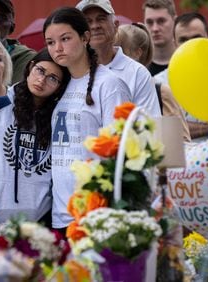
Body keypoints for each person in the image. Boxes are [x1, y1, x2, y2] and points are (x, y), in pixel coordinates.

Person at [0, 49, 70, 242]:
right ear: (30, 68)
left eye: (53, 78)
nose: (42, 80)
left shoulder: (58, 119)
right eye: (40, 71)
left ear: (60, 87)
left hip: (39, 228)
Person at [43, 7, 131, 235]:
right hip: (61, 212)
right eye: (50, 42)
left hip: (97, 213)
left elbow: (120, 152)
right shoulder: (57, 85)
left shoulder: (109, 84)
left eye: (65, 39)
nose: (57, 48)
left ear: (85, 37)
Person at [77, 0, 161, 117]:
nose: (95, 26)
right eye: (88, 21)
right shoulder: (71, 71)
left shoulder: (137, 73)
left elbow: (148, 124)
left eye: (101, 19)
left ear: (115, 25)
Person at [114, 23, 191, 142]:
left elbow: (182, 141)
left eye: (120, 50)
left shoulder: (161, 91)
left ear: (137, 53)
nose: (113, 55)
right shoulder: (106, 86)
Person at [154, 12, 208, 140]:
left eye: (196, 38)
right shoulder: (159, 84)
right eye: (183, 40)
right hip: (181, 159)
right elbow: (164, 131)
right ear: (174, 44)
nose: (190, 45)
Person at [142, 0, 177, 76]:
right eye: (150, 22)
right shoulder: (138, 67)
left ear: (175, 21)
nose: (155, 29)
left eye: (161, 21)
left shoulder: (187, 60)